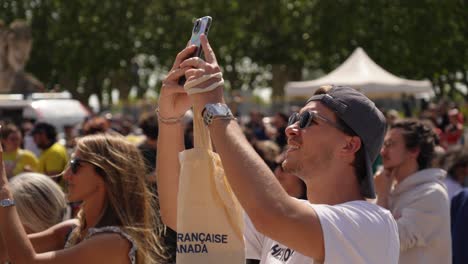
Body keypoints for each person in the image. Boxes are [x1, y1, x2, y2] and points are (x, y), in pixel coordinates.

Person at [156, 36, 399, 263]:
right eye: (294, 118)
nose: (290, 129)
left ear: (349, 145)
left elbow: (273, 213)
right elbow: (183, 215)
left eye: (308, 121)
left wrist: (216, 108)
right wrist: (170, 119)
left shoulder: (373, 224)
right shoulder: (290, 214)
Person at [0, 133, 167, 263]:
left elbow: (25, 260)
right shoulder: (72, 230)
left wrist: (5, 193)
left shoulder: (113, 243)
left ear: (107, 175)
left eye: (75, 165)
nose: (65, 175)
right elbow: (5, 249)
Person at [375, 119, 451, 264]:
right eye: (384, 144)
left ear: (414, 151)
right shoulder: (389, 187)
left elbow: (386, 241)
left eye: (390, 144)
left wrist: (382, 196)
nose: (382, 151)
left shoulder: (432, 194)